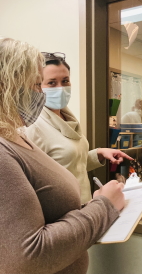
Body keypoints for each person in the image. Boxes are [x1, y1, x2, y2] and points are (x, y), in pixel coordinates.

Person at [0, 38, 125, 274]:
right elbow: (29, 255)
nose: (41, 94)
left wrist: (96, 156)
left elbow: (47, 174)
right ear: (6, 87)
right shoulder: (15, 139)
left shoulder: (15, 135)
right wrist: (104, 206)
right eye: (37, 85)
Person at [26, 52, 133, 203]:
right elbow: (31, 183)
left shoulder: (67, 117)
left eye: (65, 81)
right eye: (51, 83)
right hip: (61, 213)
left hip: (83, 206)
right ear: (36, 86)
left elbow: (69, 164)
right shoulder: (33, 127)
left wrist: (99, 153)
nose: (61, 88)